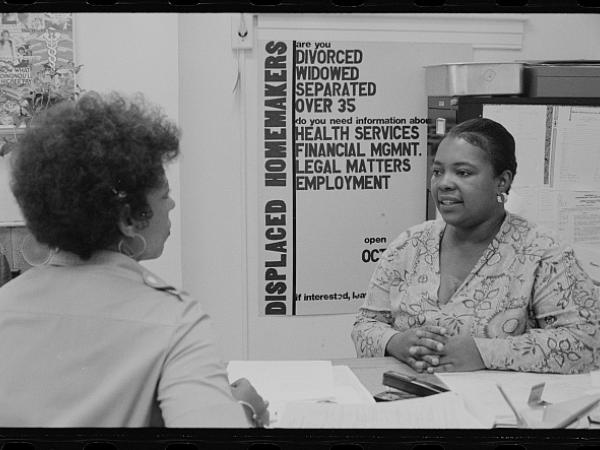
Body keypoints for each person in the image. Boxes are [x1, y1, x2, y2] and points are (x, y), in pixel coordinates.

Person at [0, 91, 268, 427]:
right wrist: (244, 409)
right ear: (128, 219)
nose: (171, 206)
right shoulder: (177, 322)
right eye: (164, 195)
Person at [351, 118, 600, 375]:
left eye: (463, 172)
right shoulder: (409, 245)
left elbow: (585, 343)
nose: (444, 183)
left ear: (501, 182)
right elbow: (365, 325)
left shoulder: (543, 253)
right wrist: (396, 342)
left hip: (497, 409)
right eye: (438, 171)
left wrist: (484, 353)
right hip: (409, 403)